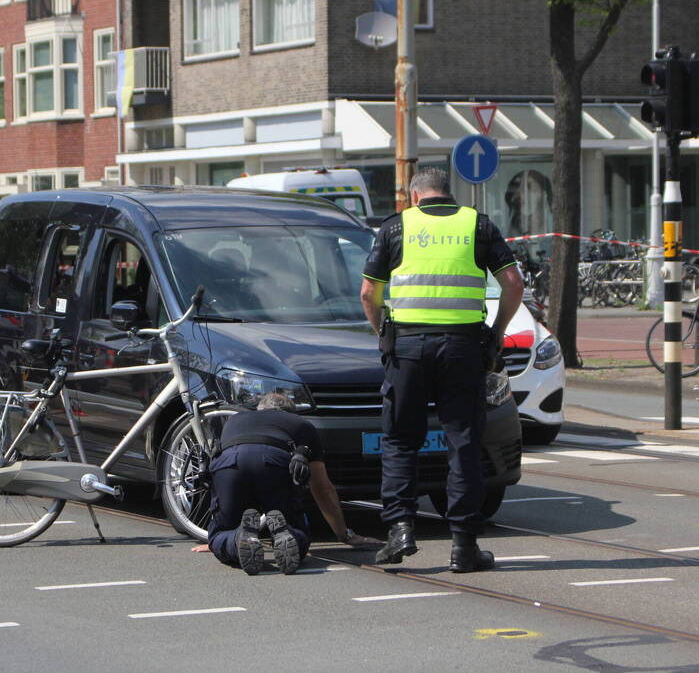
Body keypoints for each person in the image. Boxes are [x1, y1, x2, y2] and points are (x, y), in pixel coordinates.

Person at [359, 166, 523, 573]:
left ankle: (400, 529)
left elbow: (368, 292)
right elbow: (514, 283)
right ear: (447, 194)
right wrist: (497, 333)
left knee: (399, 439)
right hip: (463, 347)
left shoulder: (396, 228)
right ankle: (463, 546)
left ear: (414, 196)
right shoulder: (477, 225)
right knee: (463, 442)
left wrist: (384, 333)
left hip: (409, 348)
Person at [205, 392, 379, 576]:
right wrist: (345, 534)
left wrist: (218, 536)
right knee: (296, 531)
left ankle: (235, 538)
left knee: (221, 532)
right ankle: (288, 534)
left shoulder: (235, 420)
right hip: (274, 463)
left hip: (229, 465)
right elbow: (322, 487)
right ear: (291, 411)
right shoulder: (302, 424)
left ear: (259, 408)